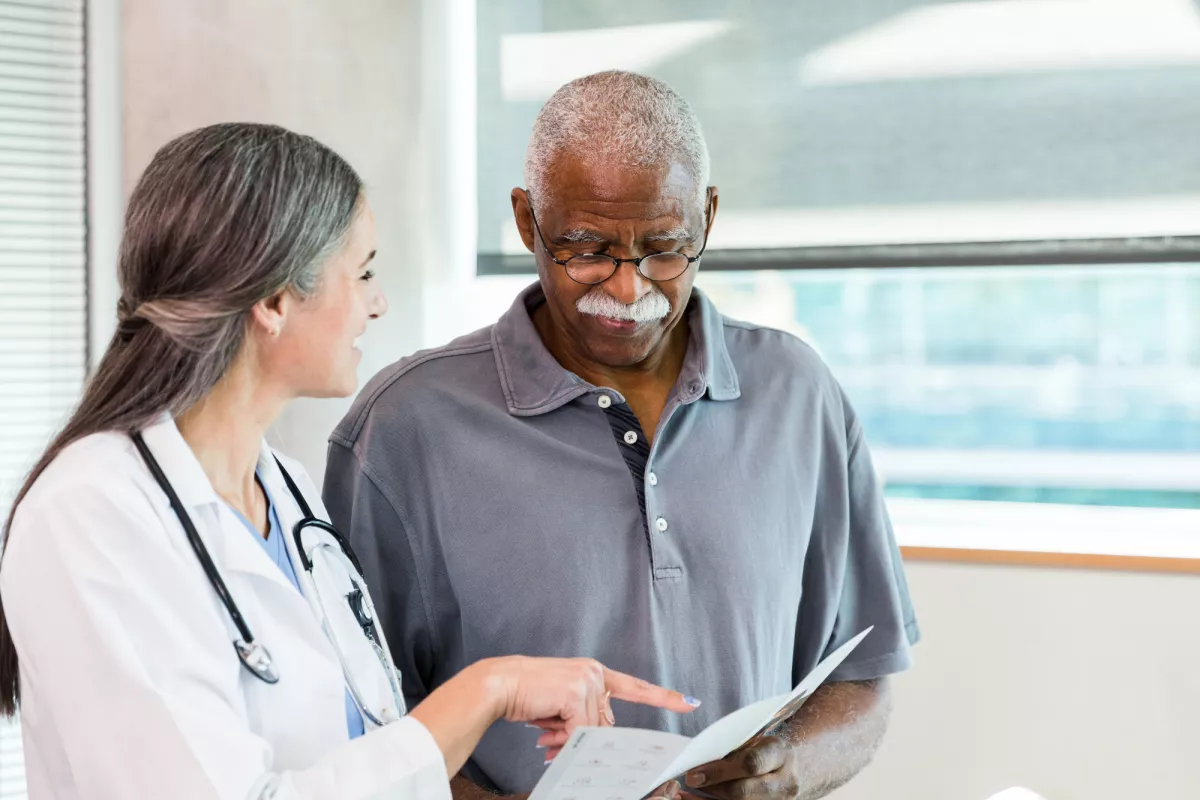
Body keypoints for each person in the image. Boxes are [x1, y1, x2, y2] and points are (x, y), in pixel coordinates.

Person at [0, 123, 699, 800]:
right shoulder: (93, 514)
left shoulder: (287, 494)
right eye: (361, 273)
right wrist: (490, 689)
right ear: (274, 300)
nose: (377, 303)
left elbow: (364, 757)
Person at [324, 70, 920, 800]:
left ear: (708, 217)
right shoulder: (403, 428)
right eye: (586, 249)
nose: (629, 287)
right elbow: (362, 730)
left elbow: (863, 675)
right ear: (525, 222)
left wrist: (787, 771)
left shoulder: (798, 393)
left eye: (665, 249)